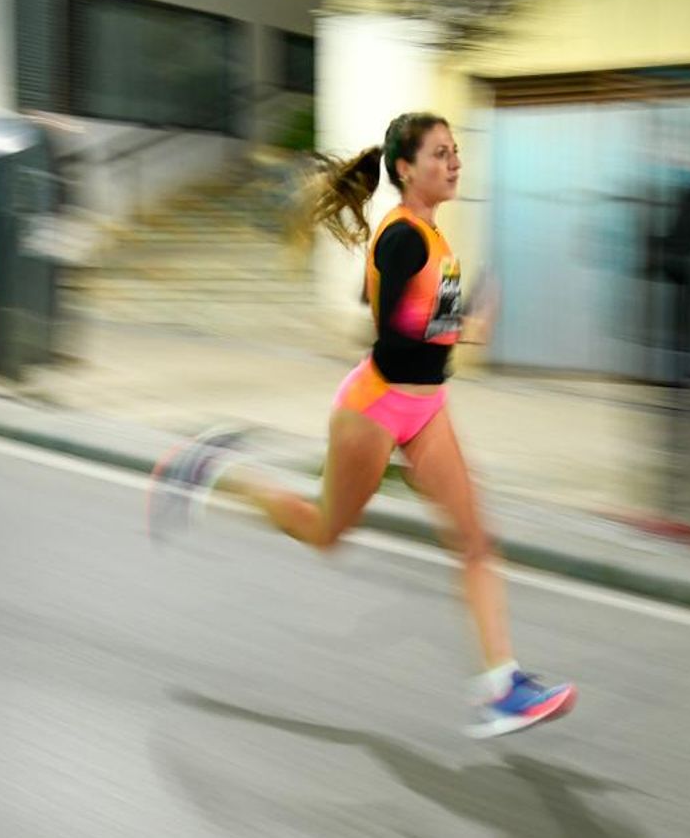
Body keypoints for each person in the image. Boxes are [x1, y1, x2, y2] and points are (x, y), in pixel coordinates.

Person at [149, 112, 576, 738]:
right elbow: (395, 333)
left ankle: (501, 686)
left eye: (456, 152)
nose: (454, 162)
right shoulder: (402, 235)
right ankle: (211, 468)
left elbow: (431, 334)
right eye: (439, 154)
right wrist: (462, 320)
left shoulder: (433, 238)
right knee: (324, 532)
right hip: (375, 409)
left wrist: (467, 321)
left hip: (424, 407)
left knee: (477, 540)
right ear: (405, 168)